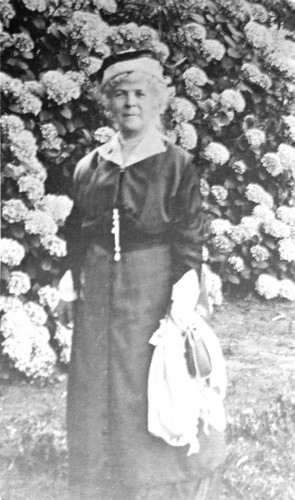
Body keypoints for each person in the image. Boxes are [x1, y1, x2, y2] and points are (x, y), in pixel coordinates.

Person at [58, 49, 225, 500]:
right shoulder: (90, 165)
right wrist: (71, 279)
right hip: (98, 291)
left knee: (148, 379)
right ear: (107, 104)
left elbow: (188, 232)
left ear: (157, 103)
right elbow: (78, 227)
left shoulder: (175, 164)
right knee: (97, 381)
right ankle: (99, 481)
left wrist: (184, 291)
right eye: (120, 95)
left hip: (151, 287)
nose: (130, 103)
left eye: (140, 95)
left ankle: (153, 484)